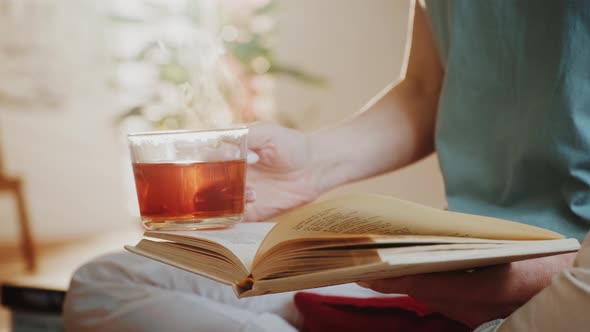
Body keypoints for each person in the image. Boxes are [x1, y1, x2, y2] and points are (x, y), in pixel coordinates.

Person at [64, 0, 590, 330]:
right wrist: (311, 165)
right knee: (108, 280)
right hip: (456, 256)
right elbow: (426, 89)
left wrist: (554, 272)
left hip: (572, 274)